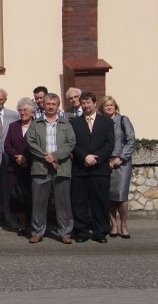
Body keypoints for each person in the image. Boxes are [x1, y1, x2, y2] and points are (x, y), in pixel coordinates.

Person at [26, 93, 76, 244]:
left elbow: (71, 143)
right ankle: (37, 231)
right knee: (39, 202)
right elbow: (31, 143)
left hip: (61, 167)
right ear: (44, 105)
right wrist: (46, 157)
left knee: (63, 202)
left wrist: (55, 156)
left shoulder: (66, 124)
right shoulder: (36, 124)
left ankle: (65, 232)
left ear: (58, 105)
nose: (51, 106)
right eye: (48, 104)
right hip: (40, 167)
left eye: (54, 104)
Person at [70, 91, 115, 243]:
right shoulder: (74, 123)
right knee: (79, 202)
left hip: (100, 168)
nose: (86, 106)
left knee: (100, 201)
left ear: (95, 104)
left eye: (89, 102)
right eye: (83, 103)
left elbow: (110, 145)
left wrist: (97, 159)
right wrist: (84, 156)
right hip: (80, 168)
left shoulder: (107, 123)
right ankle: (81, 231)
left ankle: (100, 232)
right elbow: (72, 144)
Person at [97, 95, 136, 239]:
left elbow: (131, 140)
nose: (109, 107)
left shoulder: (123, 120)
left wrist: (121, 157)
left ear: (115, 107)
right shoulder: (100, 122)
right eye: (106, 105)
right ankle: (113, 224)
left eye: (111, 105)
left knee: (121, 196)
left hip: (122, 163)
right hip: (106, 162)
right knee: (108, 196)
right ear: (102, 107)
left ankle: (123, 225)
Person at [3, 98, 35, 237]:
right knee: (17, 198)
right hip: (15, 168)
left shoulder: (38, 126)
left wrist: (26, 158)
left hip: (32, 167)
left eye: (25, 110)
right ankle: (22, 225)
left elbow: (39, 145)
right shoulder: (13, 126)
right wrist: (18, 157)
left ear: (32, 112)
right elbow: (7, 145)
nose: (22, 113)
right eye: (20, 110)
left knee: (34, 196)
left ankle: (35, 225)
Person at [0, 88, 19, 229]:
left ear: (5, 100)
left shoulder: (14, 115)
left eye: (1, 99)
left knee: (8, 189)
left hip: (9, 158)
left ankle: (10, 217)